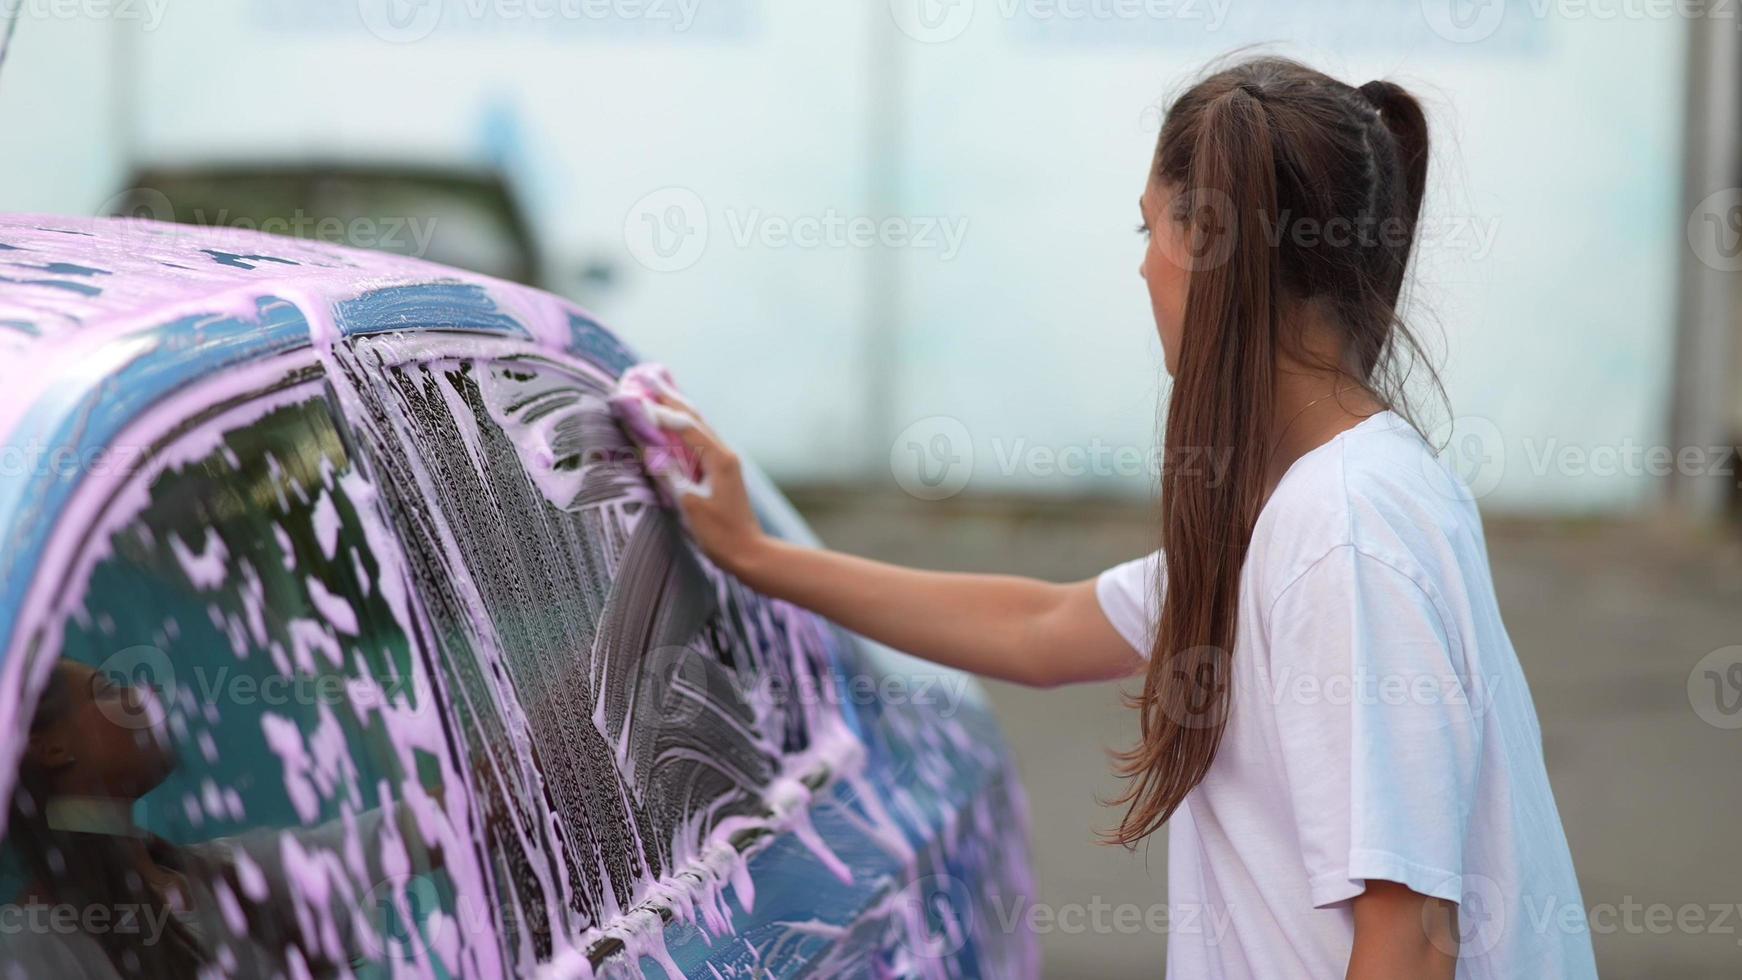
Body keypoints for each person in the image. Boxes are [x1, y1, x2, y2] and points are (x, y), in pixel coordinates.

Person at [646, 56, 1598, 980]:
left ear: (1218, 251)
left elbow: (1411, 938)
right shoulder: (1322, 499)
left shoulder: (1342, 530)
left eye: (1149, 228)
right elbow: (1043, 627)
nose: (1143, 270)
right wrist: (758, 553)